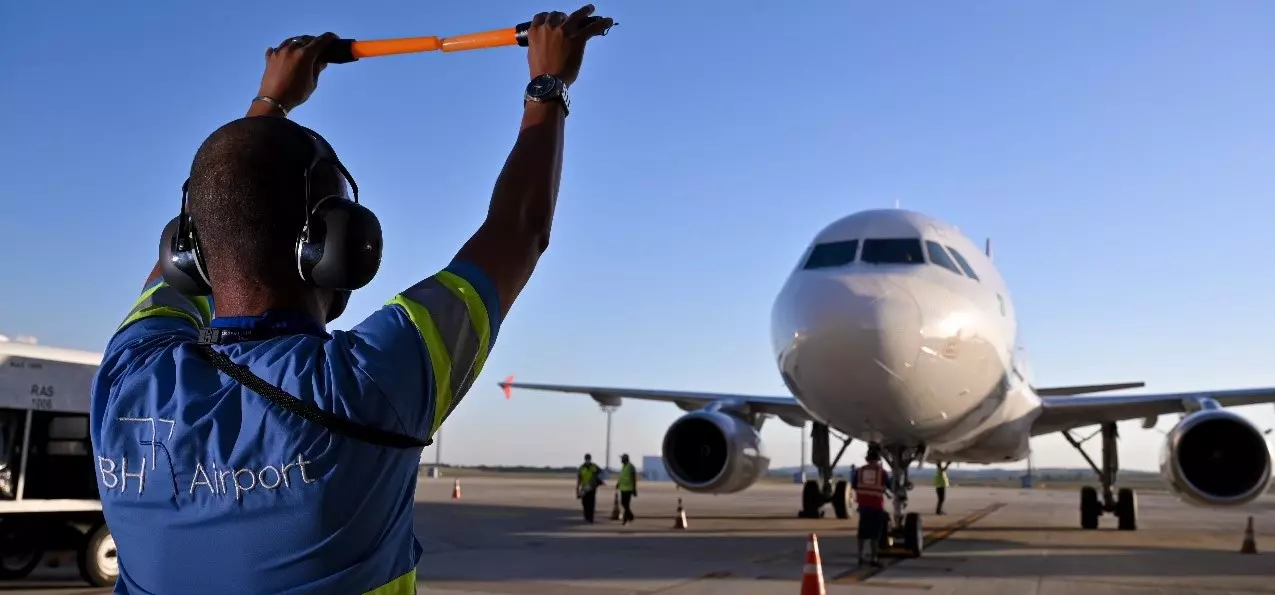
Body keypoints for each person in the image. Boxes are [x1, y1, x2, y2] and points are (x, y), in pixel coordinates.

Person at [88, 7, 613, 594]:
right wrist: (549, 84)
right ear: (336, 248)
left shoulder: (127, 377)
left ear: (191, 252)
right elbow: (518, 231)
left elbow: (213, 214)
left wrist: (268, 105)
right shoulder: (366, 386)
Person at [853, 447, 891, 568]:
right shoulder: (882, 472)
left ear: (867, 459)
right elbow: (890, 486)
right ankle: (874, 558)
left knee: (862, 534)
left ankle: (860, 557)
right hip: (876, 507)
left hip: (863, 507)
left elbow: (854, 485)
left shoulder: (859, 471)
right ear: (878, 460)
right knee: (875, 535)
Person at [577, 453, 604, 522]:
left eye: (588, 458)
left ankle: (591, 517)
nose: (587, 460)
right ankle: (586, 516)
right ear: (585, 459)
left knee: (591, 502)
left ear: (590, 459)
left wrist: (598, 481)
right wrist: (577, 489)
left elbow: (601, 473)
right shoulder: (582, 467)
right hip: (584, 487)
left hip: (592, 487)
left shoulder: (594, 466)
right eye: (587, 458)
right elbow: (579, 478)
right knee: (584, 502)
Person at [617, 453, 637, 524]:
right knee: (624, 504)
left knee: (626, 504)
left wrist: (634, 489)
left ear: (625, 459)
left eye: (622, 458)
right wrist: (618, 483)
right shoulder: (623, 466)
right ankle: (630, 516)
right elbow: (622, 476)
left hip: (629, 489)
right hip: (623, 488)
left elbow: (633, 478)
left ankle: (626, 519)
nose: (621, 460)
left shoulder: (631, 466)